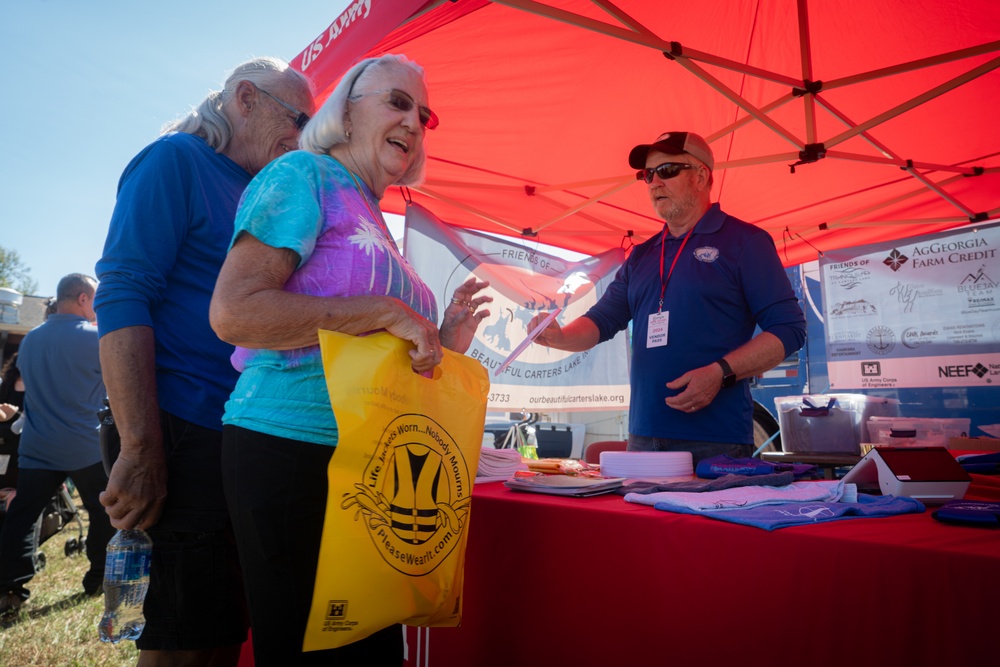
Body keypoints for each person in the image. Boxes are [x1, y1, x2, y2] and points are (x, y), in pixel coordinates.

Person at [209, 54, 491, 665]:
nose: (414, 121)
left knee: (369, 649)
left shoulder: (370, 211)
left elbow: (372, 347)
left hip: (366, 461)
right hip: (290, 449)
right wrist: (384, 311)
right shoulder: (303, 176)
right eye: (396, 102)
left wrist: (441, 338)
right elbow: (234, 313)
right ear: (345, 110)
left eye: (424, 113)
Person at [93, 57, 314, 664]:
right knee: (189, 642)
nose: (307, 137)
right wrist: (140, 448)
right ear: (246, 99)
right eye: (300, 119)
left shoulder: (263, 192)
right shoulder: (177, 160)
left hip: (239, 433)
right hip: (179, 425)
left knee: (219, 630)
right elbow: (122, 291)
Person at [529, 131, 806, 464]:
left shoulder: (744, 241)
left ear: (702, 176)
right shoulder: (643, 255)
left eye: (668, 170)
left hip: (715, 438)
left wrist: (720, 372)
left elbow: (790, 329)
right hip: (643, 436)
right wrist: (558, 337)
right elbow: (602, 320)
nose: (654, 182)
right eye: (648, 174)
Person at [0, 274, 113, 616]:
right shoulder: (97, 338)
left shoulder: (31, 340)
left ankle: (9, 589)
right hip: (85, 446)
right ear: (82, 298)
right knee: (103, 512)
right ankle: (98, 579)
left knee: (22, 517)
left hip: (37, 446)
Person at [0, 352, 25, 488]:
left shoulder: (38, 383)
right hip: (6, 434)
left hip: (25, 433)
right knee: (3, 472)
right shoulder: (6, 384)